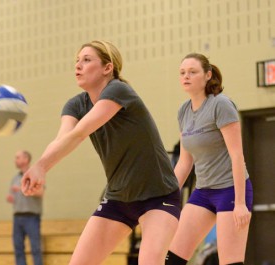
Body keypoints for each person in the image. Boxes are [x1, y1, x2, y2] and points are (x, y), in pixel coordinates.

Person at [21, 40, 181, 265]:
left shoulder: (118, 90)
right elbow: (62, 139)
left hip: (159, 197)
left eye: (86, 60)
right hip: (118, 198)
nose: (78, 65)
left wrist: (42, 167)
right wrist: (39, 167)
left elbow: (80, 133)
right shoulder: (75, 105)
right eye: (77, 61)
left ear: (108, 68)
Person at [165, 53, 253, 265]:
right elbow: (185, 162)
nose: (186, 76)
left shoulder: (220, 104)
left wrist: (240, 203)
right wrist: (166, 196)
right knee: (172, 258)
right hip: (203, 192)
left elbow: (237, 155)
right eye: (182, 73)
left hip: (230, 190)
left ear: (207, 75)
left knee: (229, 262)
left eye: (192, 72)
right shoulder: (183, 110)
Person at [6, 150, 44, 265]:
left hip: (31, 217)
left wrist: (22, 190)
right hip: (17, 217)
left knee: (35, 248)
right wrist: (11, 198)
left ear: (26, 159)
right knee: (18, 249)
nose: (15, 160)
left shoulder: (35, 175)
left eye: (18, 157)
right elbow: (13, 195)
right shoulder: (15, 178)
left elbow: (40, 192)